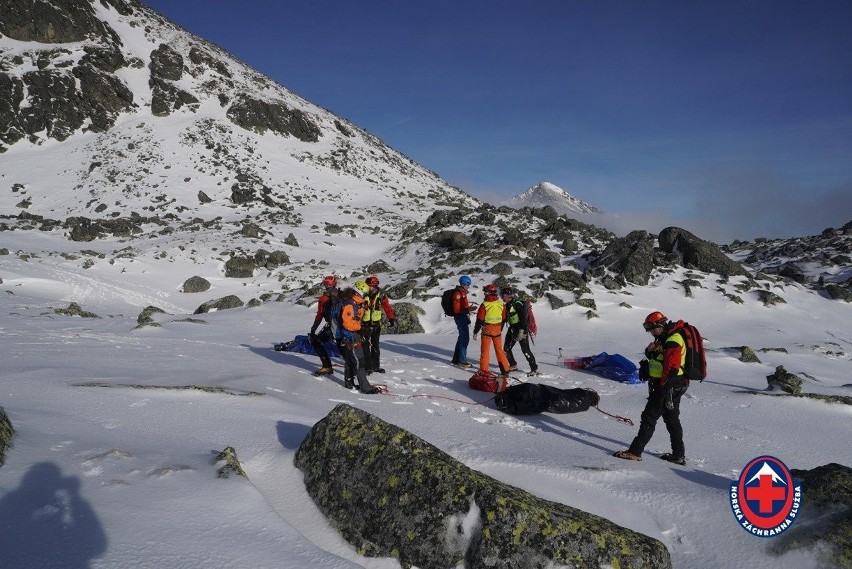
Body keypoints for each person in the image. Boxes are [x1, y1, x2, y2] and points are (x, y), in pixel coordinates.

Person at [614, 311, 690, 465]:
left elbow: (672, 367)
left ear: (660, 325)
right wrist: (649, 357)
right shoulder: (665, 337)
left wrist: (665, 388)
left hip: (668, 386)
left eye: (651, 329)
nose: (650, 332)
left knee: (648, 418)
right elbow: (660, 358)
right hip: (675, 385)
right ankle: (678, 455)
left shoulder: (672, 340)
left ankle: (634, 452)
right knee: (671, 420)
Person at [334, 281, 380, 394]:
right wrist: (361, 328)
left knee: (350, 360)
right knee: (360, 361)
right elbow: (347, 324)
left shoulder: (355, 303)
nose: (366, 296)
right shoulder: (350, 304)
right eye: (365, 294)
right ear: (359, 293)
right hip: (350, 336)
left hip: (349, 336)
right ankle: (365, 387)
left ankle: (349, 382)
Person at [472, 283, 511, 379]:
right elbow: (504, 318)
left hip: (487, 330)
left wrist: (475, 332)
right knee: (499, 350)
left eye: (485, 292)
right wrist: (499, 328)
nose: (484, 294)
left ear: (488, 293)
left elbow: (479, 320)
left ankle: (484, 371)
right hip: (497, 330)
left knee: (485, 351)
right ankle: (505, 370)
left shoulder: (484, 305)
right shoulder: (501, 304)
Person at [361, 275, 396, 374]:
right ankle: (367, 368)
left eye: (369, 285)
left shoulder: (381, 295)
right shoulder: (362, 294)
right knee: (365, 346)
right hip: (364, 324)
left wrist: (391, 318)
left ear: (374, 286)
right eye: (367, 285)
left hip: (376, 324)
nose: (368, 287)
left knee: (375, 346)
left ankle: (376, 366)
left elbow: (387, 307)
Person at [501, 287, 538, 375]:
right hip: (512, 329)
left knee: (525, 350)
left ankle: (534, 369)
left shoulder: (518, 304)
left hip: (522, 328)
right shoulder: (507, 305)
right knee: (506, 348)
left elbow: (523, 319)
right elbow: (505, 319)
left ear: (508, 296)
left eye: (503, 295)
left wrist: (521, 332)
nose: (502, 297)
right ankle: (513, 365)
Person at [308, 275, 338, 376]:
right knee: (346, 348)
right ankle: (358, 369)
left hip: (333, 327)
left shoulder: (324, 298)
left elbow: (319, 315)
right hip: (346, 326)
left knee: (316, 341)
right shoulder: (342, 294)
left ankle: (327, 367)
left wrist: (313, 329)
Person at [450, 275, 477, 368]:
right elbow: (457, 310)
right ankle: (462, 360)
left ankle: (456, 359)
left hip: (462, 317)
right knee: (465, 338)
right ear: (464, 284)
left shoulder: (463, 293)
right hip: (460, 317)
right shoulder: (458, 294)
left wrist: (468, 309)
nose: (468, 286)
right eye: (468, 285)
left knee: (461, 337)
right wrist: (469, 309)